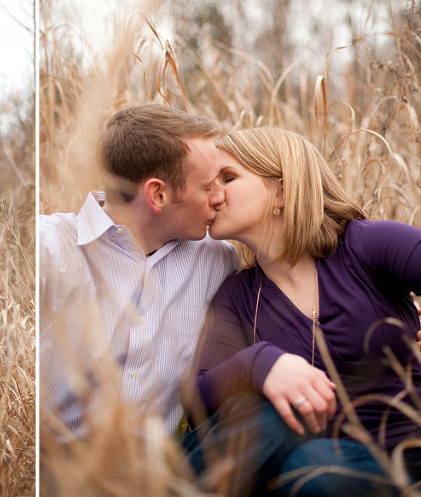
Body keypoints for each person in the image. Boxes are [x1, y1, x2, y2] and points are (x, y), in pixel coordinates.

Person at [183, 126, 421, 496]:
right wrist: (258, 364)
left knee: (314, 472)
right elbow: (198, 398)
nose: (213, 195)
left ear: (281, 190)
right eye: (210, 183)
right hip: (296, 449)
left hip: (400, 449)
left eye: (228, 178)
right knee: (288, 444)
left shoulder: (368, 246)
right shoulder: (240, 295)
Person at [40, 103, 237, 441]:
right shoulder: (49, 248)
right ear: (158, 194)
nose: (220, 197)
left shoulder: (218, 259)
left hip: (158, 474)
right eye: (207, 187)